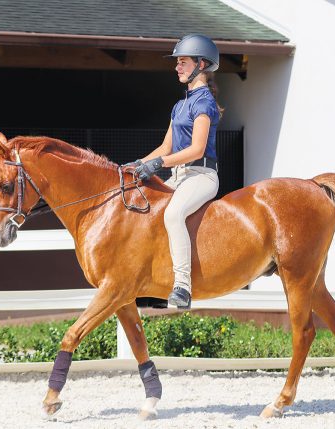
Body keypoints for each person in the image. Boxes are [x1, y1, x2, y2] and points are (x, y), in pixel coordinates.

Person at [123, 34, 222, 310]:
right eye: (177, 63)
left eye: (182, 62)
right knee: (150, 214)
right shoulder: (179, 106)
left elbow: (197, 149)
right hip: (178, 175)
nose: (177, 67)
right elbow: (165, 146)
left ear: (201, 64)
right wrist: (136, 165)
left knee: (174, 213)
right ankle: (156, 284)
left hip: (201, 176)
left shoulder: (204, 103)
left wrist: (159, 165)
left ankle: (182, 287)